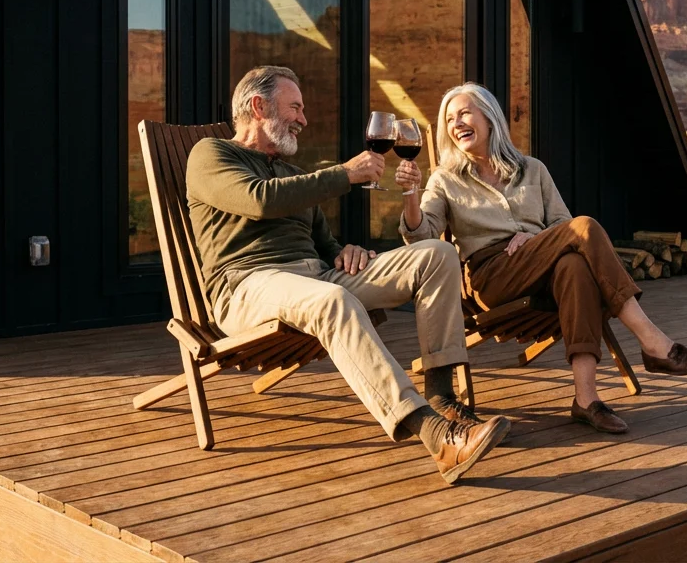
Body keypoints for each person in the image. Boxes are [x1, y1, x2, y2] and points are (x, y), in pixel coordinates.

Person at [186, 66, 509, 483]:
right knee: (335, 302)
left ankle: (443, 396)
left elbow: (326, 245)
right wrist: (345, 174)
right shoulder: (212, 154)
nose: (303, 119)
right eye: (295, 107)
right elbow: (259, 201)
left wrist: (346, 253)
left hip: (316, 278)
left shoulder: (291, 173)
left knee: (437, 254)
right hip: (249, 284)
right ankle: (434, 433)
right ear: (258, 106)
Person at [396, 83, 687, 434]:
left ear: (489, 118)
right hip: (491, 275)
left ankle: (586, 399)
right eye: (450, 119)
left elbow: (561, 224)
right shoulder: (445, 179)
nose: (457, 123)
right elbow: (421, 237)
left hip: (544, 269)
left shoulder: (532, 169)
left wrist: (536, 239)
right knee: (585, 227)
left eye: (464, 113)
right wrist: (412, 193)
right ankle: (653, 341)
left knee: (575, 266)